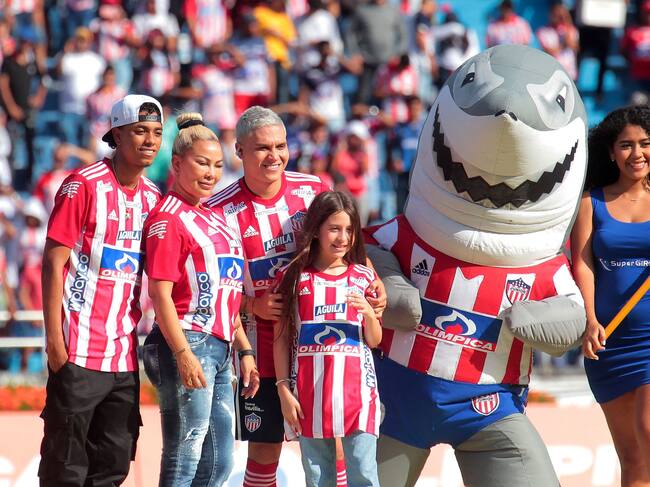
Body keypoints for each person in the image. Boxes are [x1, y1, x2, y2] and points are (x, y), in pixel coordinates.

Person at [207, 105, 386, 487]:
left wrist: (372, 277)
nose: (275, 156)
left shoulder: (312, 189)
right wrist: (251, 305)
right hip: (261, 348)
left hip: (322, 348)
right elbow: (208, 287)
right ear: (238, 151)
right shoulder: (219, 211)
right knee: (265, 447)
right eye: (262, 148)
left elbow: (345, 236)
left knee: (332, 444)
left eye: (281, 145)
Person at [38, 94, 163, 486]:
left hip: (124, 358)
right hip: (76, 353)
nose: (149, 140)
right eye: (139, 131)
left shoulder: (154, 198)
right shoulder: (83, 185)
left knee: (113, 466)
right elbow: (52, 262)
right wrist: (55, 342)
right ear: (117, 135)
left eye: (157, 132)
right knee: (65, 470)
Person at [142, 112, 260, 486]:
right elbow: (159, 294)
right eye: (202, 163)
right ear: (176, 164)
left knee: (220, 462)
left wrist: (244, 350)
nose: (211, 173)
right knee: (185, 454)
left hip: (222, 347)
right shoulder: (167, 218)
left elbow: (229, 295)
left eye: (218, 165)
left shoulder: (216, 217)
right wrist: (183, 353)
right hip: (188, 340)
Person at [274, 190, 382, 487]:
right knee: (318, 479)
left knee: (364, 475)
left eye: (349, 230)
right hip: (309, 396)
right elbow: (281, 338)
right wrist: (284, 389)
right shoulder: (294, 277)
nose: (343, 237)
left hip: (358, 396)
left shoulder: (364, 277)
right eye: (334, 228)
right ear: (317, 229)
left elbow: (374, 340)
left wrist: (370, 316)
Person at [571, 105, 650, 487]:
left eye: (645, 143)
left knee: (649, 431)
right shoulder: (591, 202)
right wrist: (589, 321)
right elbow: (583, 265)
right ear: (610, 152)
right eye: (626, 145)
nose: (637, 153)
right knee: (632, 459)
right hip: (609, 344)